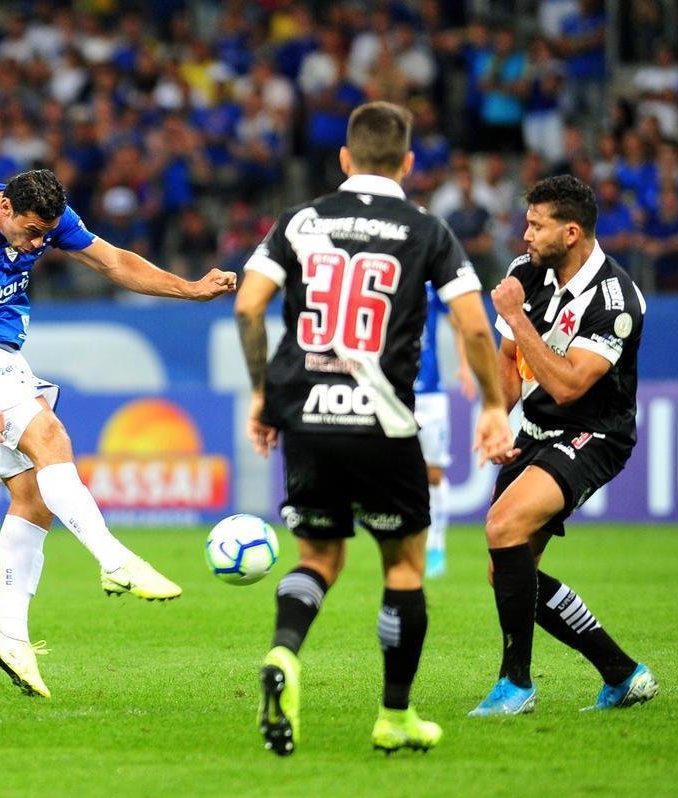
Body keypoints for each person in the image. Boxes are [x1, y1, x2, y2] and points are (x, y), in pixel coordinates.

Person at [234, 101, 513, 756]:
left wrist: (262, 393)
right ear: (408, 163)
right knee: (405, 567)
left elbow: (248, 306)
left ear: (344, 158)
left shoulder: (300, 220)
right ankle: (394, 715)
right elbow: (475, 327)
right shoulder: (426, 229)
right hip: (383, 422)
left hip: (307, 417)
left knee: (317, 559)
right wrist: (494, 405)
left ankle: (284, 652)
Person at [0, 168, 236, 699]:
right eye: (31, 233)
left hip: (2, 355)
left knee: (32, 497)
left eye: (45, 234)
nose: (37, 245)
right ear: (4, 209)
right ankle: (115, 559)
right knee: (52, 438)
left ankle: (9, 633)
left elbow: (114, 261)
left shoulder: (49, 218)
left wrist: (189, 289)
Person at [471, 175, 658, 717]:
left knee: (503, 527)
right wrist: (499, 418)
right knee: (508, 569)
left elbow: (571, 384)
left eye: (536, 225)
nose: (525, 235)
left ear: (571, 232)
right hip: (536, 429)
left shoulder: (617, 299)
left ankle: (516, 685)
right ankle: (622, 673)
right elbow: (509, 361)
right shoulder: (525, 271)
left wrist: (515, 315)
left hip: (595, 433)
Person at [416, 283, 476, 579]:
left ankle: (435, 545)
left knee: (434, 474)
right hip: (390, 391)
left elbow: (459, 320)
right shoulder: (382, 270)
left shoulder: (430, 284)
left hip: (429, 395)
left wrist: (464, 365)